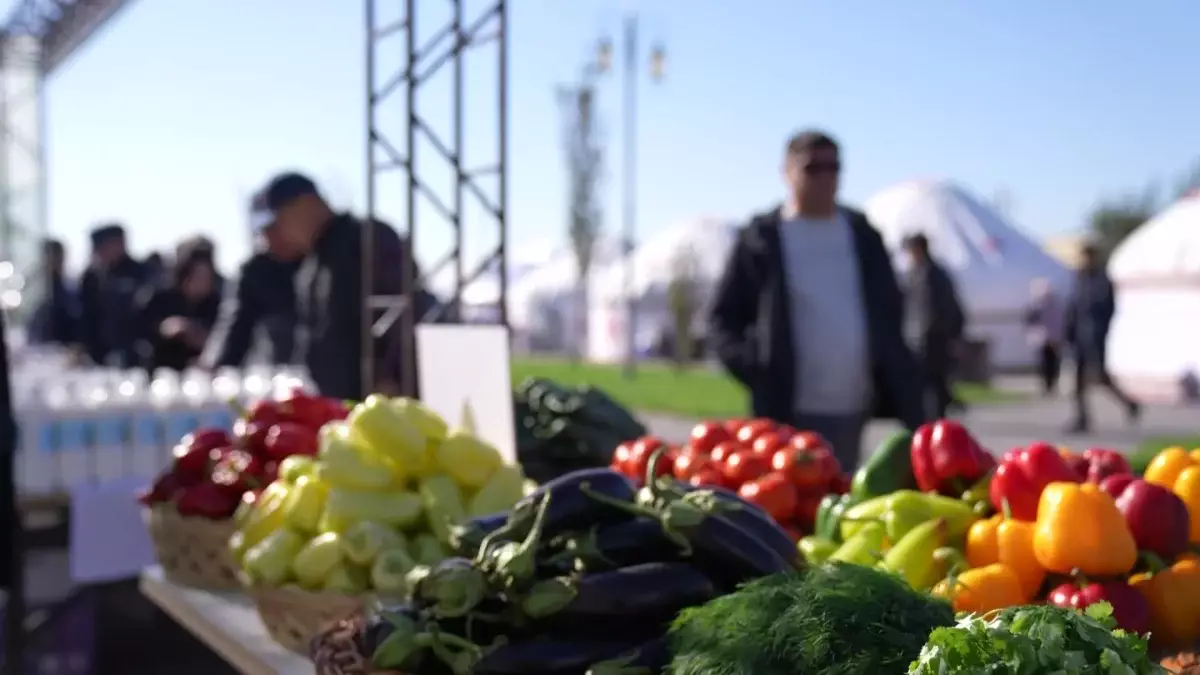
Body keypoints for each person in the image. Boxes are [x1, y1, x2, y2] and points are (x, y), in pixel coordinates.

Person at [708, 130, 926, 470]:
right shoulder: (763, 238)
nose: (826, 177)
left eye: (833, 167)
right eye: (813, 168)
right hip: (786, 410)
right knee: (787, 508)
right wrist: (759, 367)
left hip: (853, 404)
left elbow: (891, 310)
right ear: (787, 172)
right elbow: (722, 321)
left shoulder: (861, 235)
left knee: (843, 502)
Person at [249, 171, 441, 399]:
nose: (275, 236)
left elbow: (405, 307)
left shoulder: (368, 237)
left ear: (305, 205)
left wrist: (390, 376)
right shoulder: (311, 265)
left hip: (385, 405)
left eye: (278, 223)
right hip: (337, 405)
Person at [1064, 243, 1141, 433]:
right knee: (1078, 380)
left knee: (1100, 377)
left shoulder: (1102, 281)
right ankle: (1082, 418)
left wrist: (1100, 331)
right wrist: (1069, 331)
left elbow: (1107, 309)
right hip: (1079, 337)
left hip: (1095, 336)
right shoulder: (1080, 279)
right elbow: (1074, 307)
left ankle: (1129, 403)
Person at [201, 222, 300, 368]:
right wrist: (213, 366)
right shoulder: (256, 271)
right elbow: (233, 327)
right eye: (267, 229)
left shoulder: (326, 262)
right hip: (277, 372)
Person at [901, 233, 966, 419]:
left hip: (934, 341)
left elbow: (947, 308)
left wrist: (950, 336)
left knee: (935, 387)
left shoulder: (933, 275)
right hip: (918, 340)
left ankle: (937, 424)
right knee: (925, 387)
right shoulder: (915, 273)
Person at [133, 248, 221, 372]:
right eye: (198, 276)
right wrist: (164, 328)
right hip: (162, 371)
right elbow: (140, 332)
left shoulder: (216, 303)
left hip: (203, 373)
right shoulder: (160, 299)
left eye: (207, 276)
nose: (203, 282)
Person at [78, 224, 150, 367]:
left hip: (133, 353)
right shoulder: (91, 277)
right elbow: (86, 315)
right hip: (98, 353)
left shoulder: (140, 272)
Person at [27, 238, 79, 347]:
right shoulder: (36, 287)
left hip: (65, 346)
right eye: (49, 257)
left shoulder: (71, 287)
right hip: (39, 345)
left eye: (57, 257)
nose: (53, 262)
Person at [1025, 277, 1064, 396]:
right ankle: (1048, 385)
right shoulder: (1036, 305)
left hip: (1053, 338)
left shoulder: (1055, 305)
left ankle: (1051, 385)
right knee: (1045, 363)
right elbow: (1030, 320)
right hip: (1043, 338)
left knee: (1052, 363)